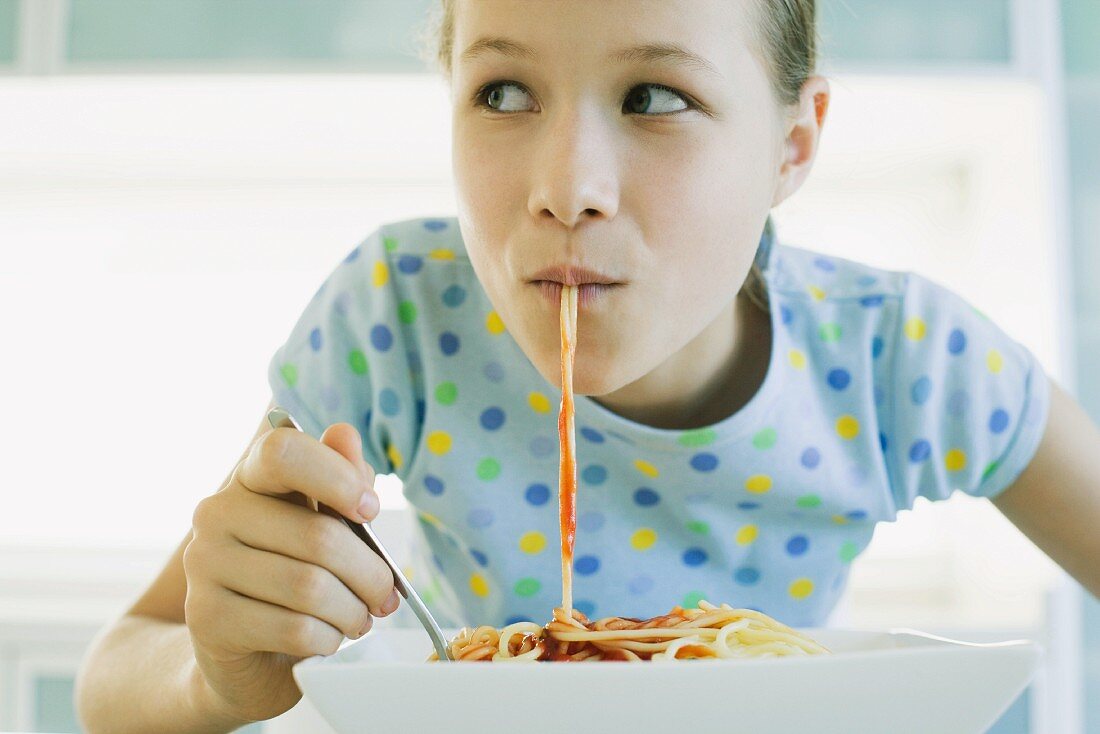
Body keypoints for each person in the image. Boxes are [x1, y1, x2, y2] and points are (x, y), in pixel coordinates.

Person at [75, 0, 1100, 731]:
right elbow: (115, 676)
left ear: (791, 144)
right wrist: (215, 676)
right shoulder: (398, 308)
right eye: (503, 89)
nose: (565, 187)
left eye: (653, 95)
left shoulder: (897, 359)